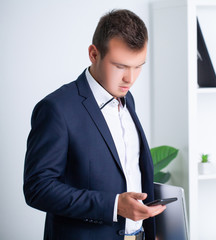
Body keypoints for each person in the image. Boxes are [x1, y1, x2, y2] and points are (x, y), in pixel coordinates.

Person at [23, 9, 165, 240]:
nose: (130, 78)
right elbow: (38, 189)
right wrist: (114, 205)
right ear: (93, 54)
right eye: (120, 66)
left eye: (138, 66)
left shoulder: (128, 99)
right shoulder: (56, 109)